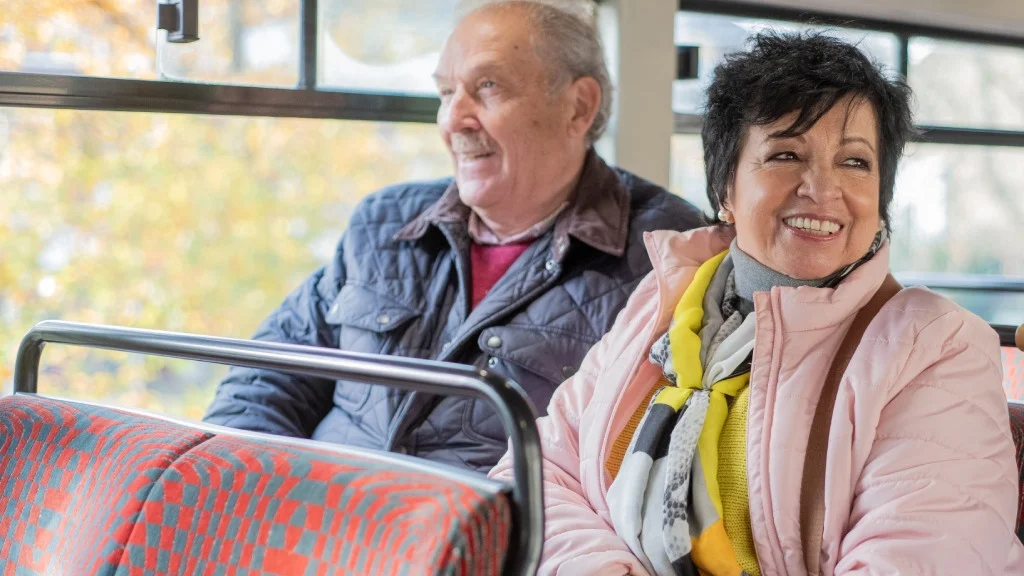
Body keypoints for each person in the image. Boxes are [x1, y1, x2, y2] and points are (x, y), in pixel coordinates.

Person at [490, 31, 1024, 575]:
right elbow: (533, 474)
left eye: (856, 163)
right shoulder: (662, 306)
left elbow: (920, 555)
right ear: (725, 190)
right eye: (786, 154)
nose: (822, 188)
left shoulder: (937, 345)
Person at [202, 0, 704, 473]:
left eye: (487, 87)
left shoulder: (668, 254)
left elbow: (650, 469)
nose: (452, 120)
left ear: (578, 107)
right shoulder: (381, 224)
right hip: (322, 523)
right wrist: (239, 488)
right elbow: (266, 379)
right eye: (446, 92)